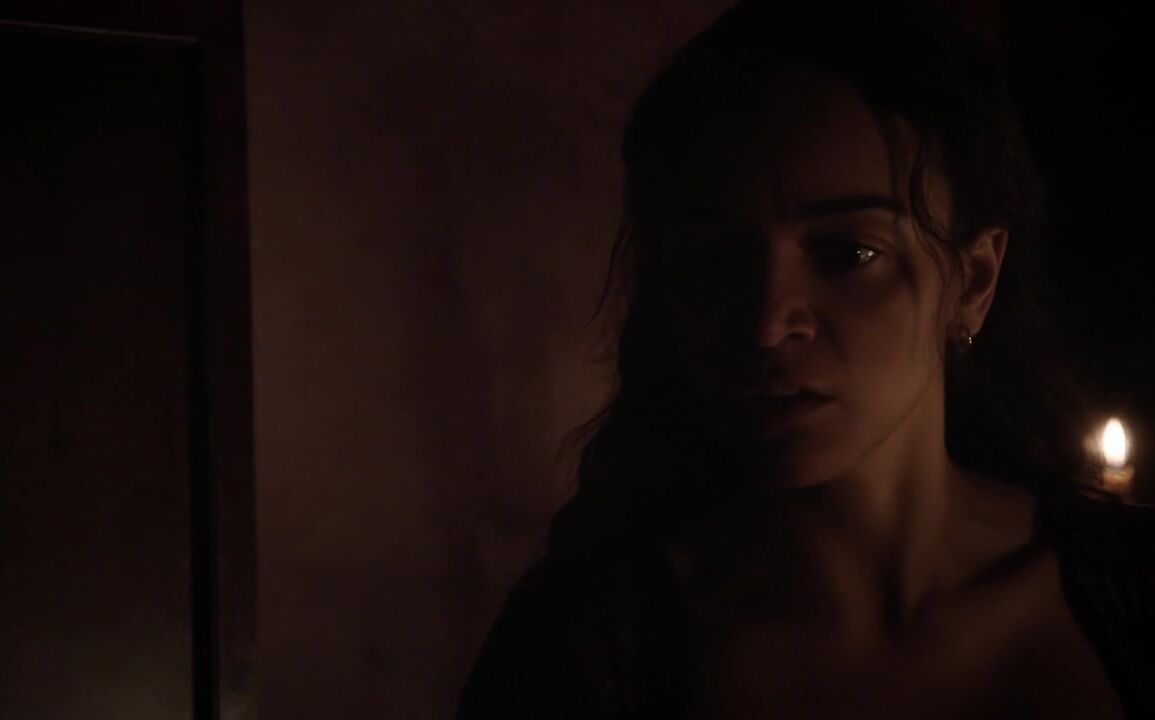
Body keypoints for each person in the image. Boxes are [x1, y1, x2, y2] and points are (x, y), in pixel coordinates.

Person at [457, 0, 1155, 717]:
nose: (766, 324)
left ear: (973, 281)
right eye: (713, 258)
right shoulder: (584, 653)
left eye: (848, 253)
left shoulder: (1124, 587)